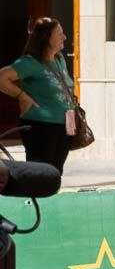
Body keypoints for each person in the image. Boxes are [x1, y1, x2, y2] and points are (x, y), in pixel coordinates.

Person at [0, 18, 75, 172]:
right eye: (60, 34)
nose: (64, 37)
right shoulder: (30, 63)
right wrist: (22, 96)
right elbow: (2, 78)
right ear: (47, 38)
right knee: (40, 172)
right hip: (40, 126)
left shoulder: (59, 60)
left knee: (55, 172)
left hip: (64, 125)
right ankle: (33, 196)